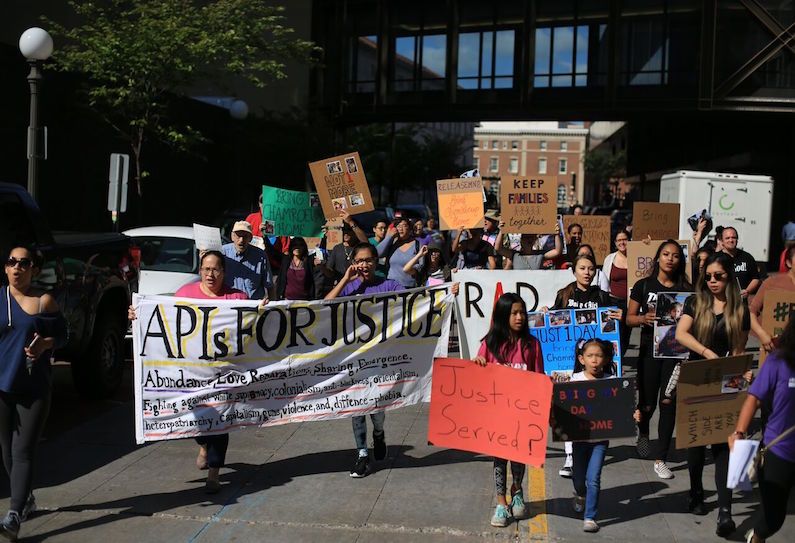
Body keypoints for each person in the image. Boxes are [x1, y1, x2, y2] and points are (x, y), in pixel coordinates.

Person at [128, 251, 258, 494]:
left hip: (223, 375)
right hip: (192, 375)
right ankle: (203, 445)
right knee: (197, 418)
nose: (211, 274)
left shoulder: (237, 297)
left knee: (221, 421)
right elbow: (162, 317)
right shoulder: (185, 295)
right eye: (206, 269)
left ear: (224, 272)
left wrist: (264, 312)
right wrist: (137, 315)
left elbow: (255, 327)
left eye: (216, 269)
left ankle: (214, 473)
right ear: (200, 271)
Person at [675, 251, 750, 536]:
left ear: (729, 276)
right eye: (707, 277)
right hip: (697, 379)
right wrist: (707, 353)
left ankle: (725, 511)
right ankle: (695, 492)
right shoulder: (696, 302)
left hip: (726, 381)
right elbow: (681, 334)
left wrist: (744, 373)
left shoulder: (740, 309)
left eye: (718, 276)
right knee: (695, 446)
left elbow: (741, 349)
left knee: (723, 447)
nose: (712, 281)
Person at [0, 247, 68, 541]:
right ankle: (25, 498)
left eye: (24, 263)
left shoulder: (43, 301)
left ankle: (14, 515)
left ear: (34, 270)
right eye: (11, 262)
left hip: (33, 388)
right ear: (5, 268)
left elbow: (64, 336)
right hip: (2, 387)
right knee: (6, 452)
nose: (17, 268)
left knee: (22, 451)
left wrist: (46, 344)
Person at [325, 243, 404, 477]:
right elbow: (325, 306)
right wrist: (345, 280)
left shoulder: (389, 285)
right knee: (356, 406)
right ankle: (362, 453)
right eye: (360, 260)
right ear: (353, 263)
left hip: (380, 358)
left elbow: (416, 301)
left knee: (377, 408)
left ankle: (378, 433)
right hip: (353, 358)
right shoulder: (348, 287)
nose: (364, 265)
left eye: (369, 260)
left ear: (376, 261)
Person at [543, 254, 622, 478]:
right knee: (568, 406)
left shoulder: (603, 296)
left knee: (591, 407)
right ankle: (570, 457)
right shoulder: (564, 294)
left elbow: (615, 325)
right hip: (568, 360)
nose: (587, 272)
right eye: (582, 268)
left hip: (593, 361)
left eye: (591, 269)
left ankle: (591, 447)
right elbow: (554, 324)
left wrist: (620, 316)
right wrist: (547, 313)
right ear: (574, 271)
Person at [472, 293, 544, 527]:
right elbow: (476, 378)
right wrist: (479, 364)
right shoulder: (489, 344)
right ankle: (501, 504)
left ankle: (517, 491)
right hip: (497, 416)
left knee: (519, 457)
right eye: (514, 313)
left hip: (522, 416)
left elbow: (539, 378)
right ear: (503, 316)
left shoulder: (532, 345)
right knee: (500, 459)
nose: (520, 317)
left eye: (522, 312)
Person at [627, 240, 690, 477]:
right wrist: (643, 319)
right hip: (648, 354)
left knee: (668, 403)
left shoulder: (687, 289)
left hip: (675, 355)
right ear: (657, 258)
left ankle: (660, 458)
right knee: (648, 404)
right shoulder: (643, 286)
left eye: (675, 255)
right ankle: (643, 433)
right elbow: (629, 318)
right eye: (665, 254)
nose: (670, 259)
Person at [730, 314, 795, 543]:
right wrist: (739, 432)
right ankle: (756, 537)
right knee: (773, 518)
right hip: (780, 450)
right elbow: (753, 398)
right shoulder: (778, 361)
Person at [569, 339, 638, 533]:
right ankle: (580, 495)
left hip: (600, 440)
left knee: (594, 478)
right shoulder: (574, 381)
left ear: (606, 358)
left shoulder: (611, 382)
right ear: (582, 359)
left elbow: (622, 407)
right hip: (579, 440)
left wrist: (633, 414)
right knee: (579, 479)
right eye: (590, 356)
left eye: (599, 356)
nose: (595, 360)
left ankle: (590, 516)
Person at [751, 245, 795, 354]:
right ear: (789, 263)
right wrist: (762, 334)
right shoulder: (772, 283)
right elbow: (751, 312)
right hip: (775, 348)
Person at [221, 221, 273, 300]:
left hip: (253, 307)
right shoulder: (222, 253)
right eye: (238, 236)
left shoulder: (260, 256)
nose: (241, 240)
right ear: (232, 236)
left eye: (245, 236)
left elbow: (270, 286)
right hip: (229, 306)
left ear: (251, 238)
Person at [602, 230, 631, 357]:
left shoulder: (636, 257)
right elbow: (604, 281)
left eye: (624, 239)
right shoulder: (610, 259)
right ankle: (611, 361)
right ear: (615, 243)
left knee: (625, 334)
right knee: (612, 333)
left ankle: (621, 361)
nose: (622, 242)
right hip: (613, 301)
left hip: (630, 303)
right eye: (619, 240)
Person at [376, 217, 424, 288]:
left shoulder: (417, 244)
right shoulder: (392, 243)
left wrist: (411, 269)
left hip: (409, 286)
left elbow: (421, 265)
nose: (401, 229)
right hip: (391, 286)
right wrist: (389, 237)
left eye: (404, 226)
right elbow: (378, 254)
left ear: (410, 228)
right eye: (398, 226)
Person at [325, 211, 370, 279]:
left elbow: (366, 243)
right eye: (344, 230)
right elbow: (330, 272)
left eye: (349, 229)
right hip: (342, 285)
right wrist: (321, 267)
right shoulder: (337, 248)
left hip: (358, 283)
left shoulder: (359, 247)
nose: (346, 233)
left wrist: (350, 222)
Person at [720, 227, 760, 298]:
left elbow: (755, 278)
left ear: (737, 240)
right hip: (722, 300)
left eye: (733, 237)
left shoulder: (747, 257)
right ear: (722, 241)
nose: (731, 240)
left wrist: (747, 290)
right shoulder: (716, 259)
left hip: (741, 302)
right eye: (727, 238)